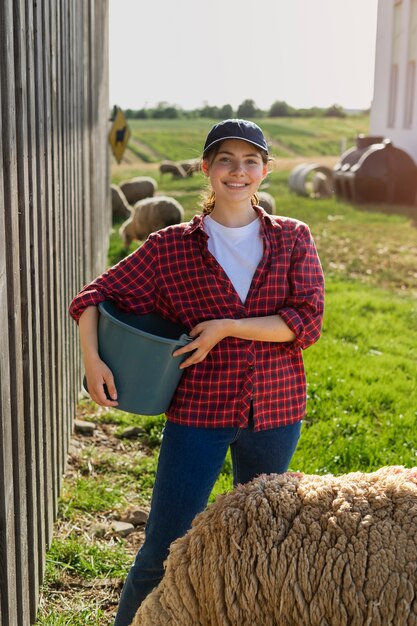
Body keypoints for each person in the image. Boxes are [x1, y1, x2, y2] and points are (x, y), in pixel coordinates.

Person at [69, 119, 325, 626]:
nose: (238, 171)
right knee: (165, 543)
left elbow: (307, 322)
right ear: (206, 169)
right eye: (226, 160)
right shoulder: (170, 246)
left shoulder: (293, 238)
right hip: (198, 413)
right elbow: (93, 297)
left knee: (258, 544)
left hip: (276, 411)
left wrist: (227, 326)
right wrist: (92, 360)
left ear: (265, 171)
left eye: (250, 161)